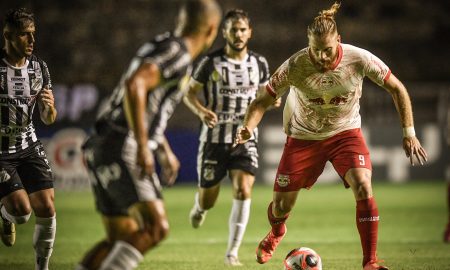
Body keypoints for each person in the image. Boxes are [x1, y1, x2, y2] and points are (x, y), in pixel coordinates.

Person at [234, 3, 428, 270]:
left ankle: (370, 262)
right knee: (280, 207)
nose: (322, 57)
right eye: (316, 50)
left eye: (328, 50)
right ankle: (277, 231)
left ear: (339, 41)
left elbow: (397, 88)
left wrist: (409, 133)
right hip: (303, 137)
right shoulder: (295, 65)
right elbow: (261, 101)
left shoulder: (359, 58)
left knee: (363, 185)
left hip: (345, 133)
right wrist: (248, 126)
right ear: (308, 45)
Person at [76, 1, 221, 270]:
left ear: (182, 20)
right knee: (156, 227)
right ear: (212, 30)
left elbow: (146, 104)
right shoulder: (178, 53)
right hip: (122, 142)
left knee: (119, 238)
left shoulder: (163, 46)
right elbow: (136, 85)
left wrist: (162, 147)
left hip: (103, 141)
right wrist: (143, 145)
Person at [184, 9, 280, 266]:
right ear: (224, 32)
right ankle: (200, 208)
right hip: (214, 140)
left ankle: (232, 252)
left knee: (243, 189)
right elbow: (188, 94)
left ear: (250, 32)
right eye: (233, 29)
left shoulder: (259, 63)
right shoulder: (210, 62)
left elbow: (264, 98)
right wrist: (202, 111)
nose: (238, 34)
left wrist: (272, 101)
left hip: (244, 138)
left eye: (242, 29)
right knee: (208, 199)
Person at [0, 8, 57, 270]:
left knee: (46, 206)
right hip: (1, 153)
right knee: (22, 213)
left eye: (33, 34)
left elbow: (48, 119)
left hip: (29, 144)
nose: (31, 40)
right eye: (24, 35)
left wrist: (48, 109)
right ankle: (5, 215)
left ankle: (42, 268)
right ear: (8, 36)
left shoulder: (39, 68)